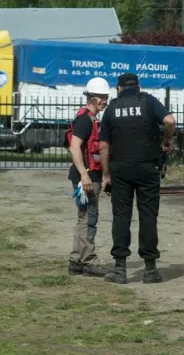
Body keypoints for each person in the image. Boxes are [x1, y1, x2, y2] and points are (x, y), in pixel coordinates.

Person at [99, 73, 176, 284]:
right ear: (139, 86)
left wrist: (106, 175)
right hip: (147, 168)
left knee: (121, 215)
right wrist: (167, 139)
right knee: (148, 216)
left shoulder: (111, 108)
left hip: (121, 169)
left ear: (119, 88)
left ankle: (120, 268)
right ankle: (150, 269)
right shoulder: (148, 101)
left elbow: (103, 145)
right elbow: (169, 120)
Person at [68, 77, 111, 277]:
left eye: (106, 97)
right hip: (87, 177)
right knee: (88, 218)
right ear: (92, 98)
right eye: (103, 97)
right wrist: (84, 175)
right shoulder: (86, 120)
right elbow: (74, 146)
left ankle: (76, 260)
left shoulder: (88, 118)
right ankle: (87, 261)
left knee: (83, 217)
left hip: (86, 175)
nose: (105, 101)